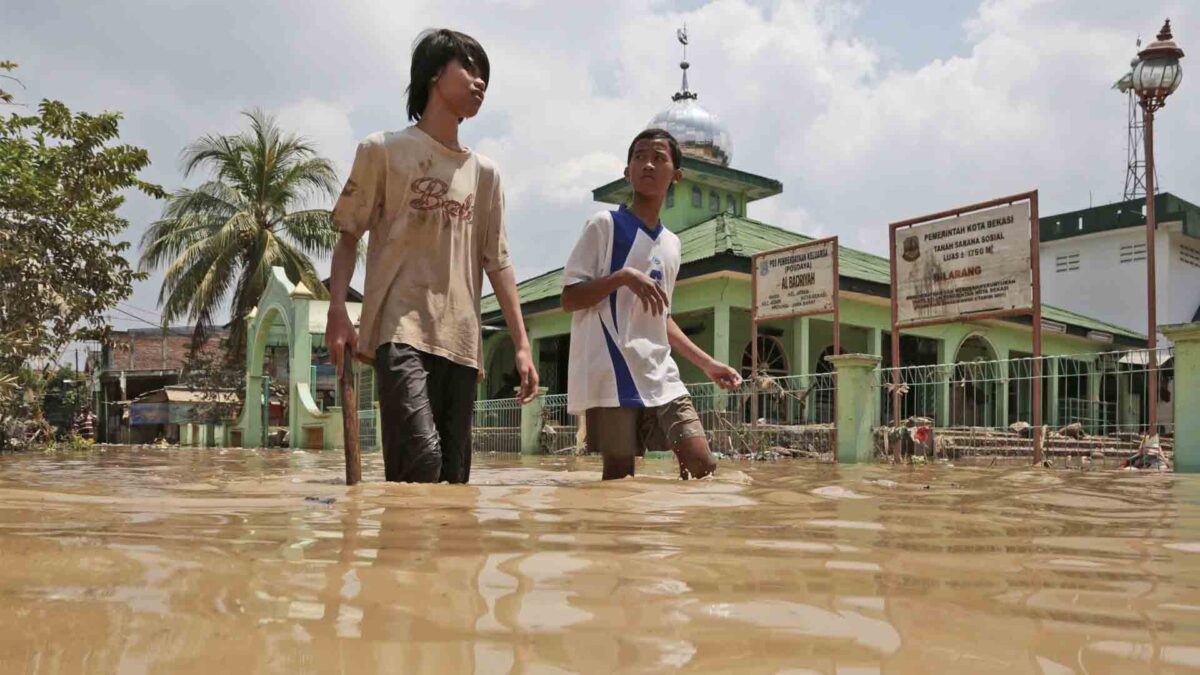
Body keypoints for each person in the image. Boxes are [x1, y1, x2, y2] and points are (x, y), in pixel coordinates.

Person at [325, 29, 538, 484]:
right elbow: (348, 236)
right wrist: (338, 309)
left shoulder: (485, 175)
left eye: (485, 77)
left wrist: (521, 344)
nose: (480, 83)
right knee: (419, 463)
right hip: (400, 330)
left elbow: (497, 261)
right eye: (469, 69)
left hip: (462, 340)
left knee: (454, 478)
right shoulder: (383, 150)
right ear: (435, 73)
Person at [560, 128, 741, 480]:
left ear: (676, 175)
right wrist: (622, 278)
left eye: (659, 158)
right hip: (611, 371)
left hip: (660, 372)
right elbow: (569, 298)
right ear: (627, 170)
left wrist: (707, 363)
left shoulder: (672, 245)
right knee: (619, 477)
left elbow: (662, 316)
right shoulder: (604, 226)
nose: (648, 164)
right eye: (639, 157)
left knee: (702, 464)